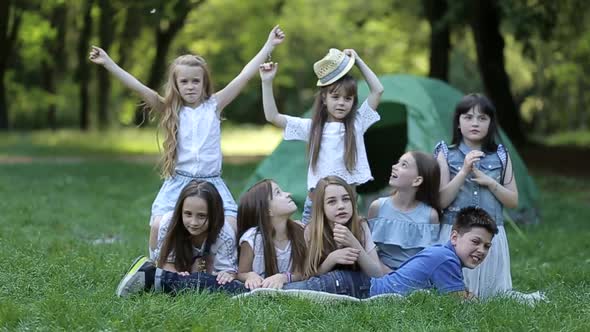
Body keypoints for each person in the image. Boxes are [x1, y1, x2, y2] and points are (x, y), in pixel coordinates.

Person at [89, 25, 286, 248]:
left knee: (231, 227)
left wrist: (269, 45)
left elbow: (244, 75)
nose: (190, 86)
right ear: (176, 84)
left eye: (196, 81)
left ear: (204, 83)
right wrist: (108, 63)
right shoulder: (169, 109)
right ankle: (156, 269)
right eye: (184, 82)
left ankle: (222, 270)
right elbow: (138, 87)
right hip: (179, 182)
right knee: (158, 226)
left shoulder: (214, 105)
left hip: (211, 182)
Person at [259, 48, 384, 224]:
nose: (341, 103)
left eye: (348, 99)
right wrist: (267, 82)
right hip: (316, 208)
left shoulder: (357, 123)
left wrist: (358, 61)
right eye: (335, 97)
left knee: (347, 249)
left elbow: (377, 90)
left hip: (346, 209)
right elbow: (272, 116)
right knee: (312, 250)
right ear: (324, 98)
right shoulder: (313, 128)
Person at [433, 93, 518, 298]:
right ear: (458, 123)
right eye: (468, 117)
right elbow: (441, 201)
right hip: (455, 230)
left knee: (494, 296)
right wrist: (463, 172)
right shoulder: (445, 152)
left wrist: (490, 183)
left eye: (482, 118)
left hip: (491, 233)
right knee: (454, 295)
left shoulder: (501, 155)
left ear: (491, 123)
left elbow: (513, 201)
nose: (475, 123)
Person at [116, 181, 244, 297]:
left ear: (214, 215)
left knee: (213, 283)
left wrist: (226, 274)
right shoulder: (169, 223)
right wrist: (176, 274)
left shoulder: (224, 234)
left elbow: (227, 273)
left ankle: (150, 278)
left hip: (208, 269)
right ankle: (149, 275)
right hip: (177, 264)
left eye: (201, 216)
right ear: (180, 211)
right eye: (188, 214)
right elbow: (166, 263)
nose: (193, 222)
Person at [283, 176, 384, 299]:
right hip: (325, 288)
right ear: (321, 207)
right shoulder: (311, 231)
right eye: (332, 201)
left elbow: (377, 274)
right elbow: (307, 276)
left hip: (357, 287)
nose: (341, 206)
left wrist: (354, 243)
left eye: (346, 199)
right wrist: (331, 259)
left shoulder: (360, 225)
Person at [369, 207, 497, 298]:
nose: (481, 250)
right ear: (454, 237)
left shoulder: (444, 254)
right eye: (475, 241)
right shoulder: (446, 259)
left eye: (487, 246)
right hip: (365, 291)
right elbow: (460, 304)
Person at [367, 151, 441, 272]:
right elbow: (369, 249)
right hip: (379, 275)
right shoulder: (377, 207)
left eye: (404, 165)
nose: (394, 166)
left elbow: (429, 259)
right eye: (398, 162)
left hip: (414, 277)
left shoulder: (430, 215)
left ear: (417, 181)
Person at [236, 180, 307, 289]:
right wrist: (250, 276)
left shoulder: (301, 232)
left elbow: (304, 272)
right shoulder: (252, 239)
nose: (288, 194)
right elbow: (241, 273)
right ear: (267, 210)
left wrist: (283, 277)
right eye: (278, 193)